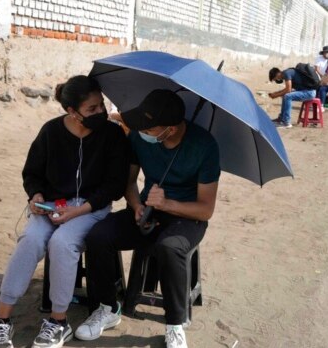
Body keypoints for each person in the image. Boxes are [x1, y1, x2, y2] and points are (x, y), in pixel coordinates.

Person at [0, 75, 130, 348]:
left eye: (101, 105)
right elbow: (32, 174)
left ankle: (58, 322)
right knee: (30, 240)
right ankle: (2, 320)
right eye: (93, 109)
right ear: (72, 112)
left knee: (62, 242)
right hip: (51, 207)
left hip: (91, 208)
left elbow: (114, 187)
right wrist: (36, 195)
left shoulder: (113, 135)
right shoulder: (51, 132)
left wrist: (77, 212)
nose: (101, 112)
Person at [76, 89, 220, 348]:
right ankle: (108, 308)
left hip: (188, 218)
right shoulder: (141, 138)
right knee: (98, 235)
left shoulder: (205, 146)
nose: (143, 132)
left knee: (169, 247)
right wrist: (136, 205)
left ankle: (175, 324)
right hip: (148, 210)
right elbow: (129, 182)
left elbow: (205, 209)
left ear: (171, 130)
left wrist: (168, 203)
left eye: (150, 129)